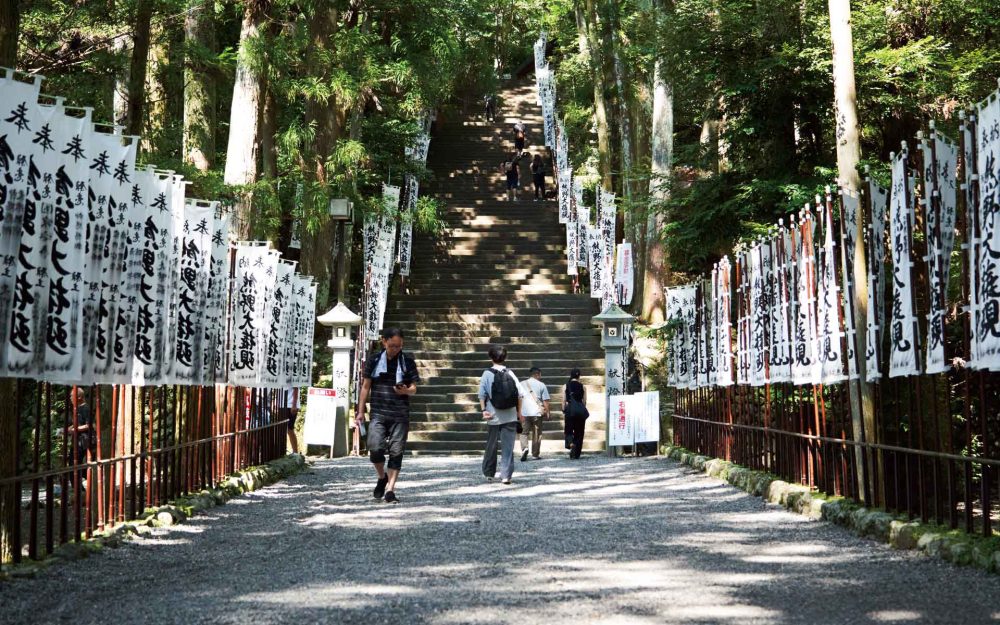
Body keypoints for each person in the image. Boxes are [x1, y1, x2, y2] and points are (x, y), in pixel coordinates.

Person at [356, 328, 420, 504]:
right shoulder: (375, 360)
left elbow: (414, 388)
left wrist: (406, 390)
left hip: (400, 413)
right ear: (384, 341)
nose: (395, 349)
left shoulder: (407, 362)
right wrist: (361, 411)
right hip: (378, 412)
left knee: (396, 451)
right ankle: (381, 476)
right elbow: (365, 387)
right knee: (375, 449)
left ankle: (390, 489)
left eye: (398, 346)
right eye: (392, 346)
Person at [479, 345, 524, 484]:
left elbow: (482, 394)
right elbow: (521, 394)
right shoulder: (510, 373)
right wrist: (519, 412)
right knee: (508, 446)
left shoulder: (487, 373)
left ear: (491, 357)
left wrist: (483, 410)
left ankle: (489, 473)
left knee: (491, 445)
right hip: (510, 414)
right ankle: (506, 475)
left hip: (493, 415)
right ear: (505, 357)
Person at [519, 367, 550, 461]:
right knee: (537, 433)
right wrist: (547, 412)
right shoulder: (541, 385)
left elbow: (518, 399)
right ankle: (535, 454)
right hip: (537, 412)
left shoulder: (521, 384)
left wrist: (519, 412)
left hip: (525, 412)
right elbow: (545, 401)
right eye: (540, 375)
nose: (540, 376)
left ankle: (525, 448)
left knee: (524, 432)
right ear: (537, 374)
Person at [563, 368, 588, 459]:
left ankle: (571, 443)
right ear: (579, 376)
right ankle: (577, 453)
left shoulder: (566, 386)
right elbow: (584, 401)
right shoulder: (583, 387)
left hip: (570, 409)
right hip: (580, 410)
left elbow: (563, 400)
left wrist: (563, 409)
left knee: (568, 430)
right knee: (579, 431)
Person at [281, 386, 300, 454]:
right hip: (281, 403)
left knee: (289, 428)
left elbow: (296, 388)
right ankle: (282, 450)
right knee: (282, 429)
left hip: (290, 404)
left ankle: (295, 452)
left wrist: (294, 405)